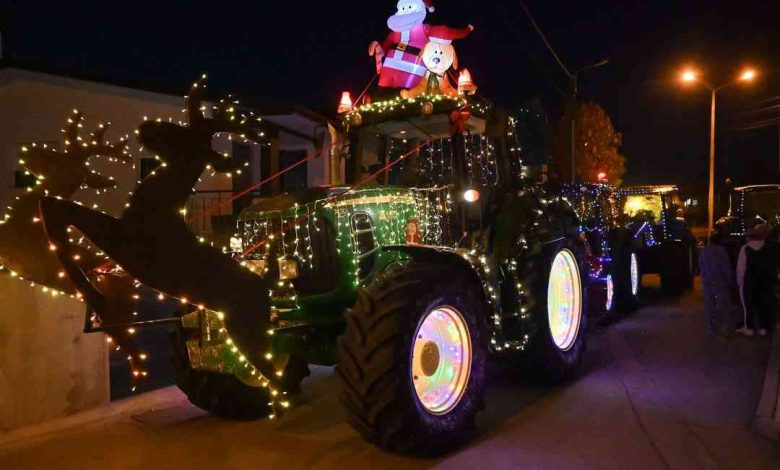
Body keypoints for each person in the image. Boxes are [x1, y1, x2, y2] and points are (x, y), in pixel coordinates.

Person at [736, 224, 776, 336]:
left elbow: (741, 268)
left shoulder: (746, 249)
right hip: (765, 281)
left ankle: (749, 328)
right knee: (763, 305)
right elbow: (771, 265)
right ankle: (763, 328)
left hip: (750, 281)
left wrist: (739, 282)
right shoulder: (767, 248)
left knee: (749, 305)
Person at [700, 232, 739, 335]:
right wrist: (729, 279)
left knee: (710, 306)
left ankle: (711, 328)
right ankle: (724, 328)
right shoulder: (721, 251)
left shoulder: (704, 251)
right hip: (720, 281)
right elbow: (725, 267)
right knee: (723, 305)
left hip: (707, 281)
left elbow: (701, 266)